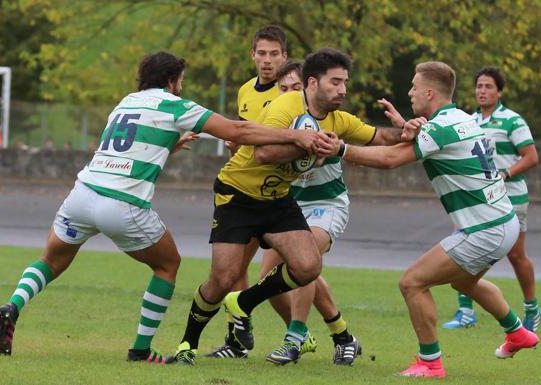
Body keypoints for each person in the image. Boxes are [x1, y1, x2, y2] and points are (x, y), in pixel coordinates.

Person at [0, 51, 326, 364]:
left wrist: (171, 145)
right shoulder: (176, 106)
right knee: (168, 264)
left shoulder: (126, 102)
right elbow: (237, 129)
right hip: (122, 203)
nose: (182, 87)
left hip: (82, 193)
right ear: (171, 80)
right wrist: (293, 137)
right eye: (180, 80)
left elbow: (131, 148)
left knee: (52, 260)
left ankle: (12, 305)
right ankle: (141, 349)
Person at [172, 48, 406, 365]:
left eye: (345, 82)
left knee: (308, 265)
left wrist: (409, 131)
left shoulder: (339, 119)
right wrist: (303, 144)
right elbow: (262, 155)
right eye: (336, 82)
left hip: (278, 199)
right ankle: (188, 343)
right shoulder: (286, 105)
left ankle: (246, 304)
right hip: (237, 195)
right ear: (313, 82)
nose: (343, 90)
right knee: (223, 278)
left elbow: (379, 137)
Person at [340, 61, 539, 378]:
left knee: (412, 283)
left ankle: (430, 363)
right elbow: (437, 142)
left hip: (484, 229)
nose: (410, 92)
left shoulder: (438, 127)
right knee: (463, 281)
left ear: (429, 92)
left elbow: (392, 159)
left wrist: (340, 148)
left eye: (414, 87)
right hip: (505, 221)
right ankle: (517, 332)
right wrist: (406, 127)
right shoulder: (461, 118)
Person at [442, 66, 541, 331]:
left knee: (517, 256)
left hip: (512, 197)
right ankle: (465, 313)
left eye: (488, 86)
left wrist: (506, 173)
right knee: (464, 247)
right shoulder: (469, 121)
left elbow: (531, 157)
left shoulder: (512, 120)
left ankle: (532, 309)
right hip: (476, 199)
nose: (482, 91)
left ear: (499, 92)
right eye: (479, 86)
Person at [210, 25, 289, 358]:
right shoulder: (245, 91)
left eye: (274, 54)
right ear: (252, 55)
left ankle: (302, 333)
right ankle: (239, 340)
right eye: (262, 53)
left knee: (293, 270)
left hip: (274, 196)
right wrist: (234, 146)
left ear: (284, 56)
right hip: (242, 192)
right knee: (235, 271)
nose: (267, 61)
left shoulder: (289, 95)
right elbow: (246, 144)